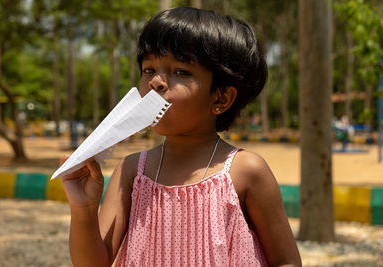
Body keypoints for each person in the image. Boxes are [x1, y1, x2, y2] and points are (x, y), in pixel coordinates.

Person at [61, 7, 302, 267]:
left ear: (221, 98)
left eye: (181, 72)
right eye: (149, 69)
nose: (156, 82)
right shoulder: (132, 172)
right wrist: (83, 207)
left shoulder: (246, 171)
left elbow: (286, 261)